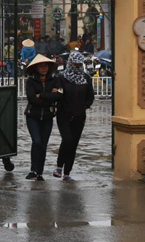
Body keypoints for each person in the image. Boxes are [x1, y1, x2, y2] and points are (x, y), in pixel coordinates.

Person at [53, 51, 95, 181]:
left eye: (79, 64)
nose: (76, 67)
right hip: (64, 114)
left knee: (73, 143)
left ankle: (67, 173)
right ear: (70, 63)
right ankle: (59, 166)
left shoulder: (86, 78)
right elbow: (58, 94)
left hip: (79, 116)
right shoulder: (61, 78)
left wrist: (84, 107)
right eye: (74, 64)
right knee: (67, 140)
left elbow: (90, 97)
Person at [24, 54, 63, 181]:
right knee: (37, 142)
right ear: (36, 68)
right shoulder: (30, 81)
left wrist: (41, 95)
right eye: (41, 66)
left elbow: (59, 95)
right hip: (33, 116)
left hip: (47, 117)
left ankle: (39, 172)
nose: (43, 68)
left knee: (43, 144)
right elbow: (32, 98)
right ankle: (33, 169)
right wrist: (48, 98)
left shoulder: (55, 79)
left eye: (45, 66)